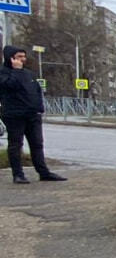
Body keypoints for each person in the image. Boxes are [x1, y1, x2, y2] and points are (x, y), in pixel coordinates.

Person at [0, 45, 66, 184]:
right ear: (10, 58)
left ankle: (43, 172)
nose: (22, 60)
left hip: (32, 114)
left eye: (23, 57)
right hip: (14, 115)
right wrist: (16, 71)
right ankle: (18, 174)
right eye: (19, 57)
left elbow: (36, 91)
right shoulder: (4, 73)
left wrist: (39, 108)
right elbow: (8, 86)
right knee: (16, 145)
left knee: (37, 144)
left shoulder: (28, 74)